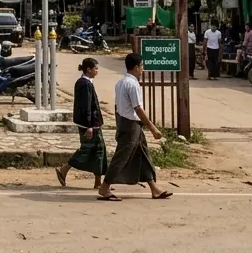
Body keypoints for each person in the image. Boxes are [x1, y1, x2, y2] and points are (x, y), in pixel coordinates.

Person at [99, 53, 171, 201]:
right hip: (130, 123)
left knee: (142, 154)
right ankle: (104, 187)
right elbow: (138, 108)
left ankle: (154, 188)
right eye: (142, 66)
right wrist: (153, 128)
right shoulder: (132, 84)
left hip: (127, 122)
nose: (143, 69)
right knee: (122, 156)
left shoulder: (121, 82)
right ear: (137, 67)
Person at [57, 57, 107, 188]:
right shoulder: (84, 84)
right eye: (96, 68)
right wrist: (89, 126)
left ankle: (98, 182)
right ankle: (64, 169)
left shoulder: (85, 83)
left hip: (93, 123)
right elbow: (86, 107)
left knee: (98, 151)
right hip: (89, 125)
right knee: (87, 150)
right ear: (88, 69)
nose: (97, 71)